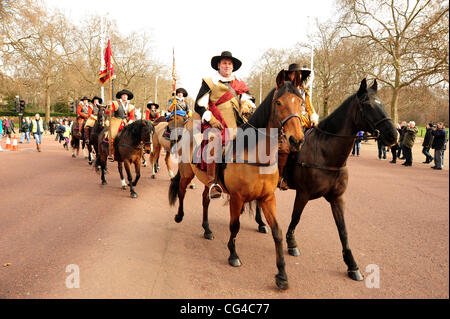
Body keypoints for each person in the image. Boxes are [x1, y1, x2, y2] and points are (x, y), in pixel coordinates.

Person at [194, 51, 255, 198]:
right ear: (218, 66)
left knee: (256, 139)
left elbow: (248, 100)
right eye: (224, 63)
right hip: (216, 123)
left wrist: (246, 105)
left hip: (237, 123)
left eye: (229, 64)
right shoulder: (210, 82)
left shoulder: (239, 83)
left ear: (233, 67)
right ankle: (212, 183)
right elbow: (199, 105)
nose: (227, 66)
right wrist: (210, 118)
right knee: (214, 141)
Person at [276, 63, 318, 189]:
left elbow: (309, 107)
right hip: (288, 124)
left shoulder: (304, 92)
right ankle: (281, 177)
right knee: (284, 148)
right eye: (295, 73)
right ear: (289, 74)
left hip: (303, 122)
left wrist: (313, 117)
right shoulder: (284, 89)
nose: (297, 76)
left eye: (299, 74)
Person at [105, 89, 135, 161]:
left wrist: (130, 122)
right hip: (116, 120)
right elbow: (107, 112)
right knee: (112, 135)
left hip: (126, 122)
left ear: (128, 97)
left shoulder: (131, 106)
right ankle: (111, 153)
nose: (125, 96)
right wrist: (109, 107)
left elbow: (132, 116)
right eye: (123, 95)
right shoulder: (115, 103)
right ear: (121, 96)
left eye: (126, 95)